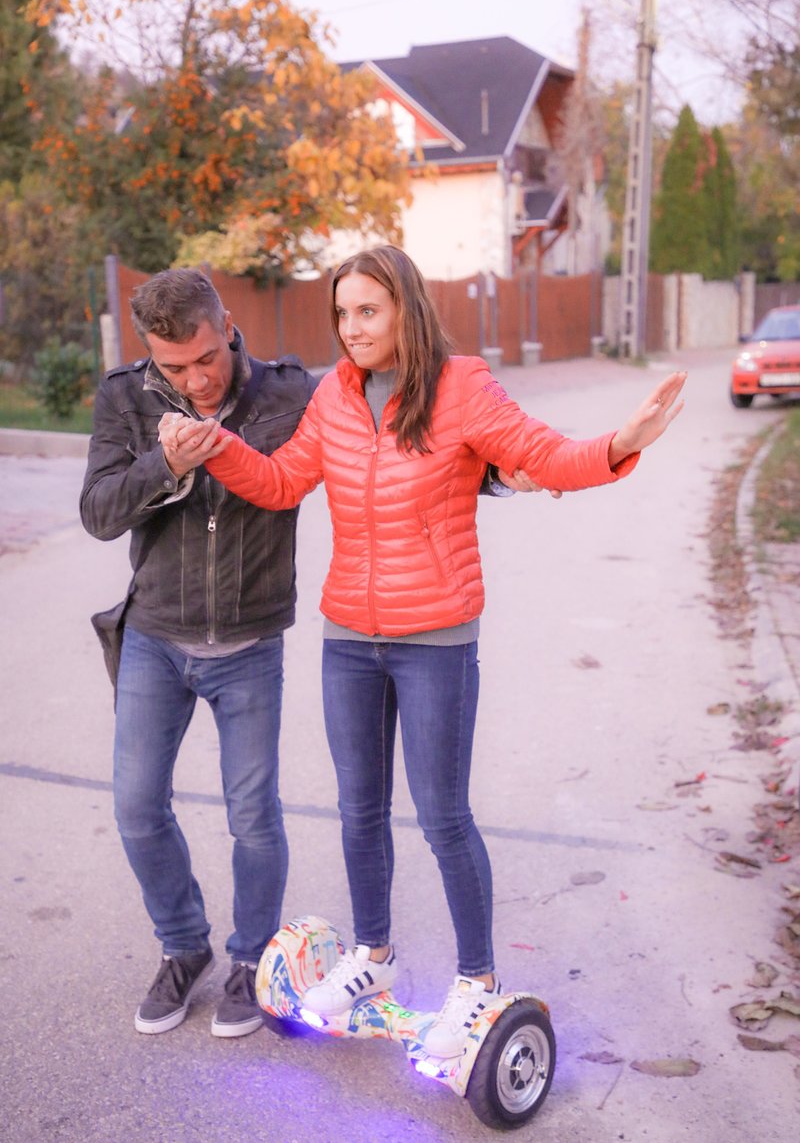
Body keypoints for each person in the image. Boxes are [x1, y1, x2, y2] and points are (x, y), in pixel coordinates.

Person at [159, 245, 686, 1059]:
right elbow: (282, 480)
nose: (352, 327)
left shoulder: (461, 387)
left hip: (436, 638)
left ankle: (476, 979)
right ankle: (374, 956)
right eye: (343, 313)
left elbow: (542, 454)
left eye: (368, 310)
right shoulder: (334, 398)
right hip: (349, 640)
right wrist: (215, 445)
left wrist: (621, 441)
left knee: (443, 816)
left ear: (406, 308)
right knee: (359, 811)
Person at [80, 268, 318, 1037]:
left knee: (253, 815)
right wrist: (167, 465)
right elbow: (98, 513)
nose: (196, 379)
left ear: (229, 325)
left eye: (207, 357)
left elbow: (374, 446)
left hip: (250, 640)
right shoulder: (126, 397)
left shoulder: (289, 394)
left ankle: (253, 960)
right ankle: (184, 946)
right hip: (156, 636)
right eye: (175, 366)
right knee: (136, 806)